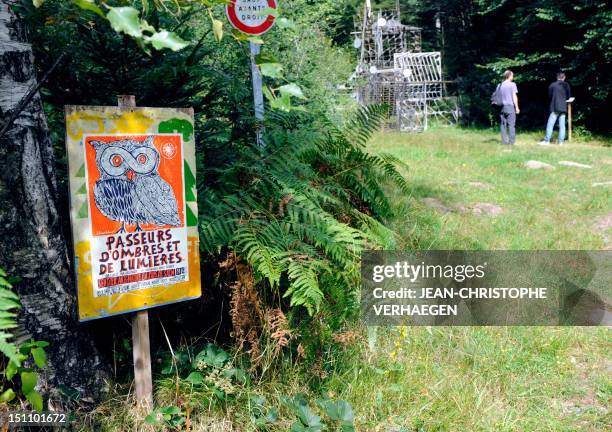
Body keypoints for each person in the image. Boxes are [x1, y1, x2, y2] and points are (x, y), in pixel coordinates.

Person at [539, 72, 572, 145]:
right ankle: (561, 142)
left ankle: (547, 141)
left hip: (555, 107)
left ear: (557, 77)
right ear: (564, 77)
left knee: (550, 124)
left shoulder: (552, 85)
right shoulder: (566, 85)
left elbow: (550, 95)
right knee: (562, 125)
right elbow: (568, 96)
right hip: (563, 107)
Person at [498, 70, 520, 145]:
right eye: (512, 75)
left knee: (503, 125)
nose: (513, 77)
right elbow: (514, 96)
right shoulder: (512, 84)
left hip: (501, 107)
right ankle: (511, 142)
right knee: (511, 125)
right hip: (510, 106)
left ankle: (504, 142)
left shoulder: (500, 85)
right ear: (509, 76)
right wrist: (517, 107)